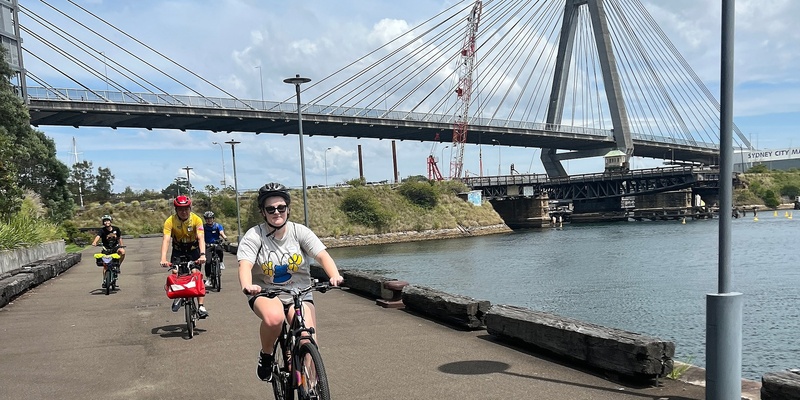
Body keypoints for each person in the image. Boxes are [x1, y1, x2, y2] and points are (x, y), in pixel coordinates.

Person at [238, 182, 344, 382]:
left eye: (281, 207)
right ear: (263, 212)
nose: (276, 212)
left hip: (300, 292)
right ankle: (267, 356)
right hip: (266, 291)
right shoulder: (255, 236)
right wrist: (247, 285)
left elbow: (322, 256)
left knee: (307, 337)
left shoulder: (299, 232)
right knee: (274, 319)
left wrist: (334, 275)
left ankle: (312, 387)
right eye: (270, 209)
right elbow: (244, 265)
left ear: (288, 209)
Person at [160, 195, 208, 318]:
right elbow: (166, 240)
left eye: (186, 208)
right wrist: (163, 258)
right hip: (178, 250)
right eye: (180, 209)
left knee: (196, 274)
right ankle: (178, 297)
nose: (184, 211)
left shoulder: (196, 220)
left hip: (193, 250)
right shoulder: (170, 221)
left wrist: (202, 255)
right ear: (176, 210)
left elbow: (201, 237)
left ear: (190, 208)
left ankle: (201, 306)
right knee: (175, 272)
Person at [91, 214, 125, 288]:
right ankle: (105, 280)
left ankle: (118, 265)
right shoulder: (102, 230)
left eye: (108, 220)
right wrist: (94, 242)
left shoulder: (116, 229)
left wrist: (121, 245)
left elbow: (119, 238)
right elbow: (98, 236)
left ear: (110, 221)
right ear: (103, 222)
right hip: (106, 249)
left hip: (115, 247)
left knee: (122, 251)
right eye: (105, 221)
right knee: (105, 266)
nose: (106, 222)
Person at [202, 210, 228, 286]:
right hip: (208, 245)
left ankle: (221, 262)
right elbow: (200, 235)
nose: (209, 220)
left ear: (213, 218)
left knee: (220, 250)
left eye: (210, 218)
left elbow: (221, 232)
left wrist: (225, 237)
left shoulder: (217, 226)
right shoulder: (203, 227)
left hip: (216, 244)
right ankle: (209, 278)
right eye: (207, 218)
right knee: (208, 262)